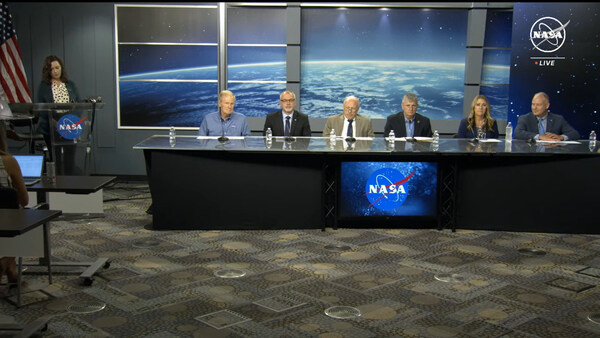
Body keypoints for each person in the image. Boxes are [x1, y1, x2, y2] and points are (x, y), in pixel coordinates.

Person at [0, 125, 29, 285]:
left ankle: (11, 270)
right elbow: (24, 200)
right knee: (27, 216)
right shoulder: (7, 162)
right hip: (6, 222)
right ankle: (5, 263)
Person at [36, 55, 81, 153]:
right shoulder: (44, 86)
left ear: (61, 68)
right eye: (52, 69)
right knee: (56, 156)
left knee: (70, 157)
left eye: (57, 68)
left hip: (69, 125)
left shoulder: (70, 85)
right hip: (51, 127)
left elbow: (79, 105)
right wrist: (54, 122)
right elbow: (41, 109)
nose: (55, 71)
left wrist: (72, 122)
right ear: (48, 71)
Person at [514, 92, 580, 141]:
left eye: (538, 105)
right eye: (533, 104)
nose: (534, 108)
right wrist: (539, 136)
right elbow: (518, 133)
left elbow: (575, 134)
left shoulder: (558, 119)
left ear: (547, 106)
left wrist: (561, 137)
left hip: (552, 154)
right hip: (532, 153)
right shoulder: (525, 118)